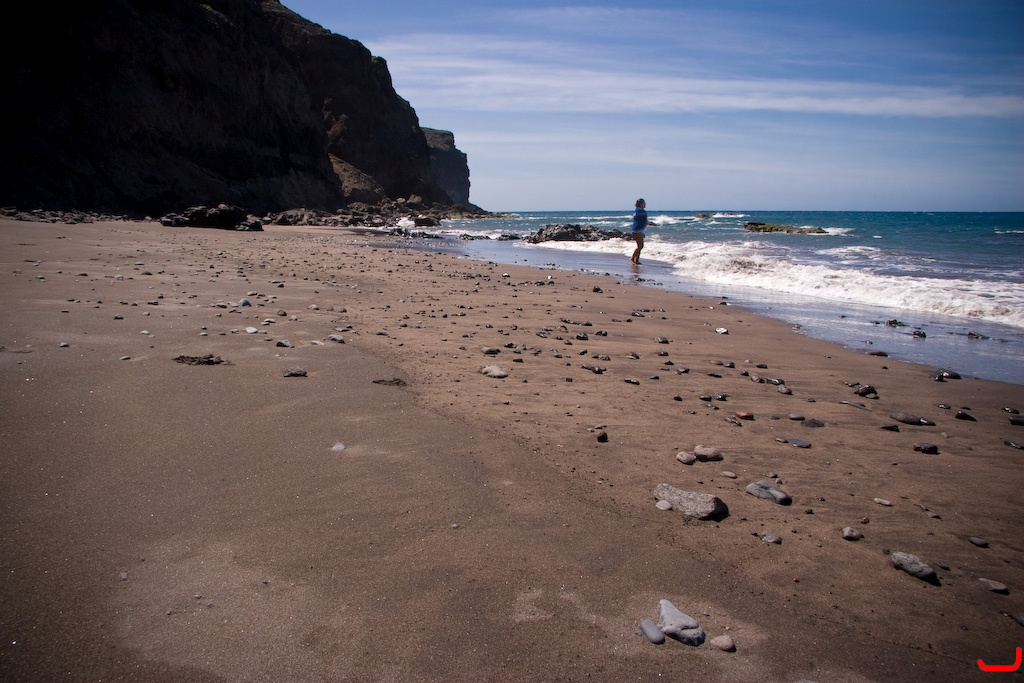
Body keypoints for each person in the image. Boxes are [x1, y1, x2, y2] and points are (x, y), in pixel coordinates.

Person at [630, 198, 647, 265]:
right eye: (644, 203)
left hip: (639, 230)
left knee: (639, 246)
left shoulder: (638, 210)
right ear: (641, 204)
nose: (645, 204)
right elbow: (643, 220)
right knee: (640, 246)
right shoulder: (640, 211)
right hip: (637, 230)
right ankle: (632, 259)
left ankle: (637, 260)